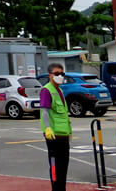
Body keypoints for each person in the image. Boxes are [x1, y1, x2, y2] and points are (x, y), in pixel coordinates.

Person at [39, 63, 72, 191]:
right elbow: (45, 112)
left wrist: (69, 132)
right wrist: (47, 128)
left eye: (62, 74)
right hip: (53, 135)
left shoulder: (60, 90)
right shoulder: (47, 90)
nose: (60, 76)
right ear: (50, 75)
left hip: (63, 134)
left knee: (64, 167)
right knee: (55, 167)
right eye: (57, 74)